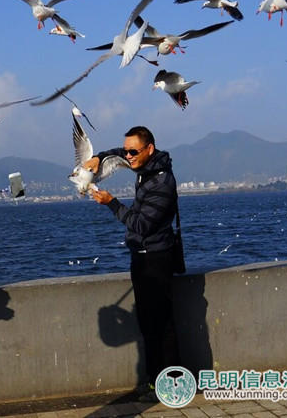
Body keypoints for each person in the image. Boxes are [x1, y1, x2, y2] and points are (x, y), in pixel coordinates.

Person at [84, 125, 180, 400]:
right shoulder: (146, 168)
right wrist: (100, 157)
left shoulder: (162, 182)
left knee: (161, 326)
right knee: (149, 325)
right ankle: (154, 382)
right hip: (143, 259)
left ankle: (171, 385)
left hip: (156, 261)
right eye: (127, 150)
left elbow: (141, 224)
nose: (128, 156)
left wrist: (111, 203)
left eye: (134, 151)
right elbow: (122, 154)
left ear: (150, 148)